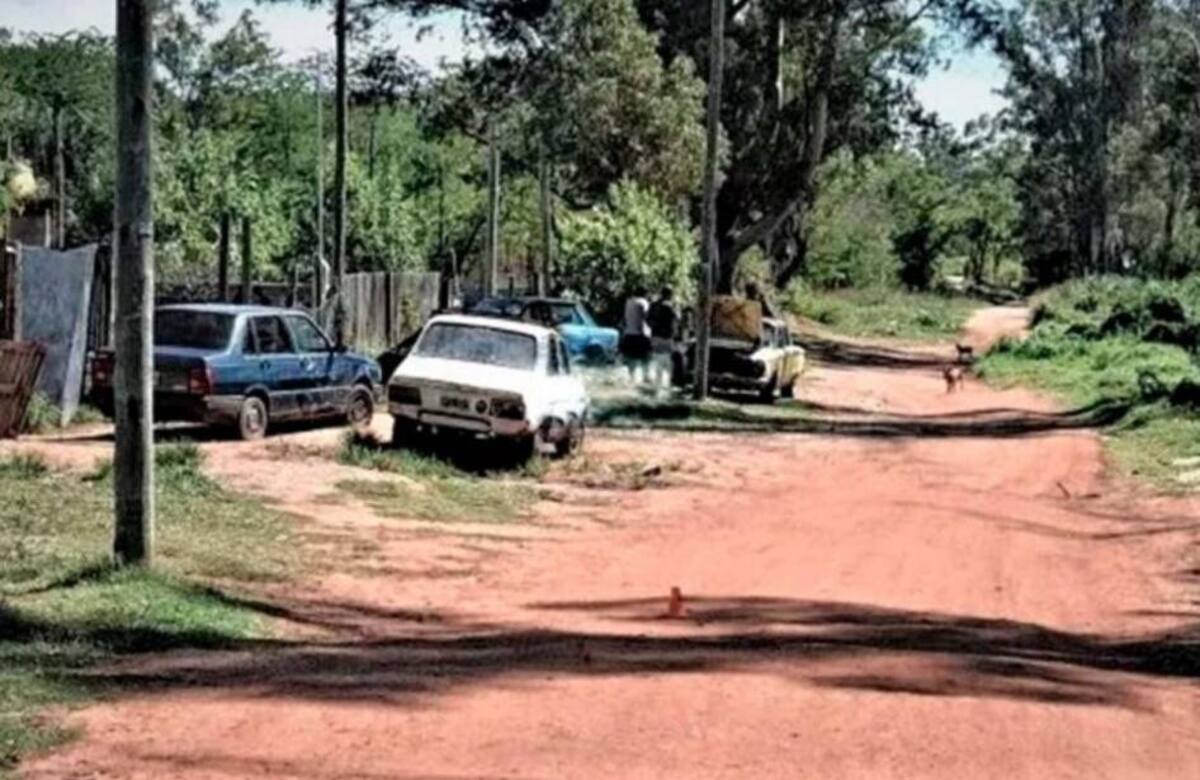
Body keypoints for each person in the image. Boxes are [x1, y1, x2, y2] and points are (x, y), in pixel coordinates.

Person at [647, 287, 679, 389]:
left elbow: (648, 320)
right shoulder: (672, 306)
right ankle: (666, 385)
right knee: (667, 362)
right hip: (667, 337)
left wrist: (654, 327)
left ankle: (656, 384)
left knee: (656, 360)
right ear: (670, 295)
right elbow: (678, 318)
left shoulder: (654, 305)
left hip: (656, 336)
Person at [620, 286, 652, 382]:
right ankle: (645, 378)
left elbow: (625, 319)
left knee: (631, 359)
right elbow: (647, 318)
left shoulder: (628, 302)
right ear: (644, 294)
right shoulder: (644, 303)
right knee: (645, 358)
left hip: (628, 334)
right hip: (640, 334)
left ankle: (631, 379)